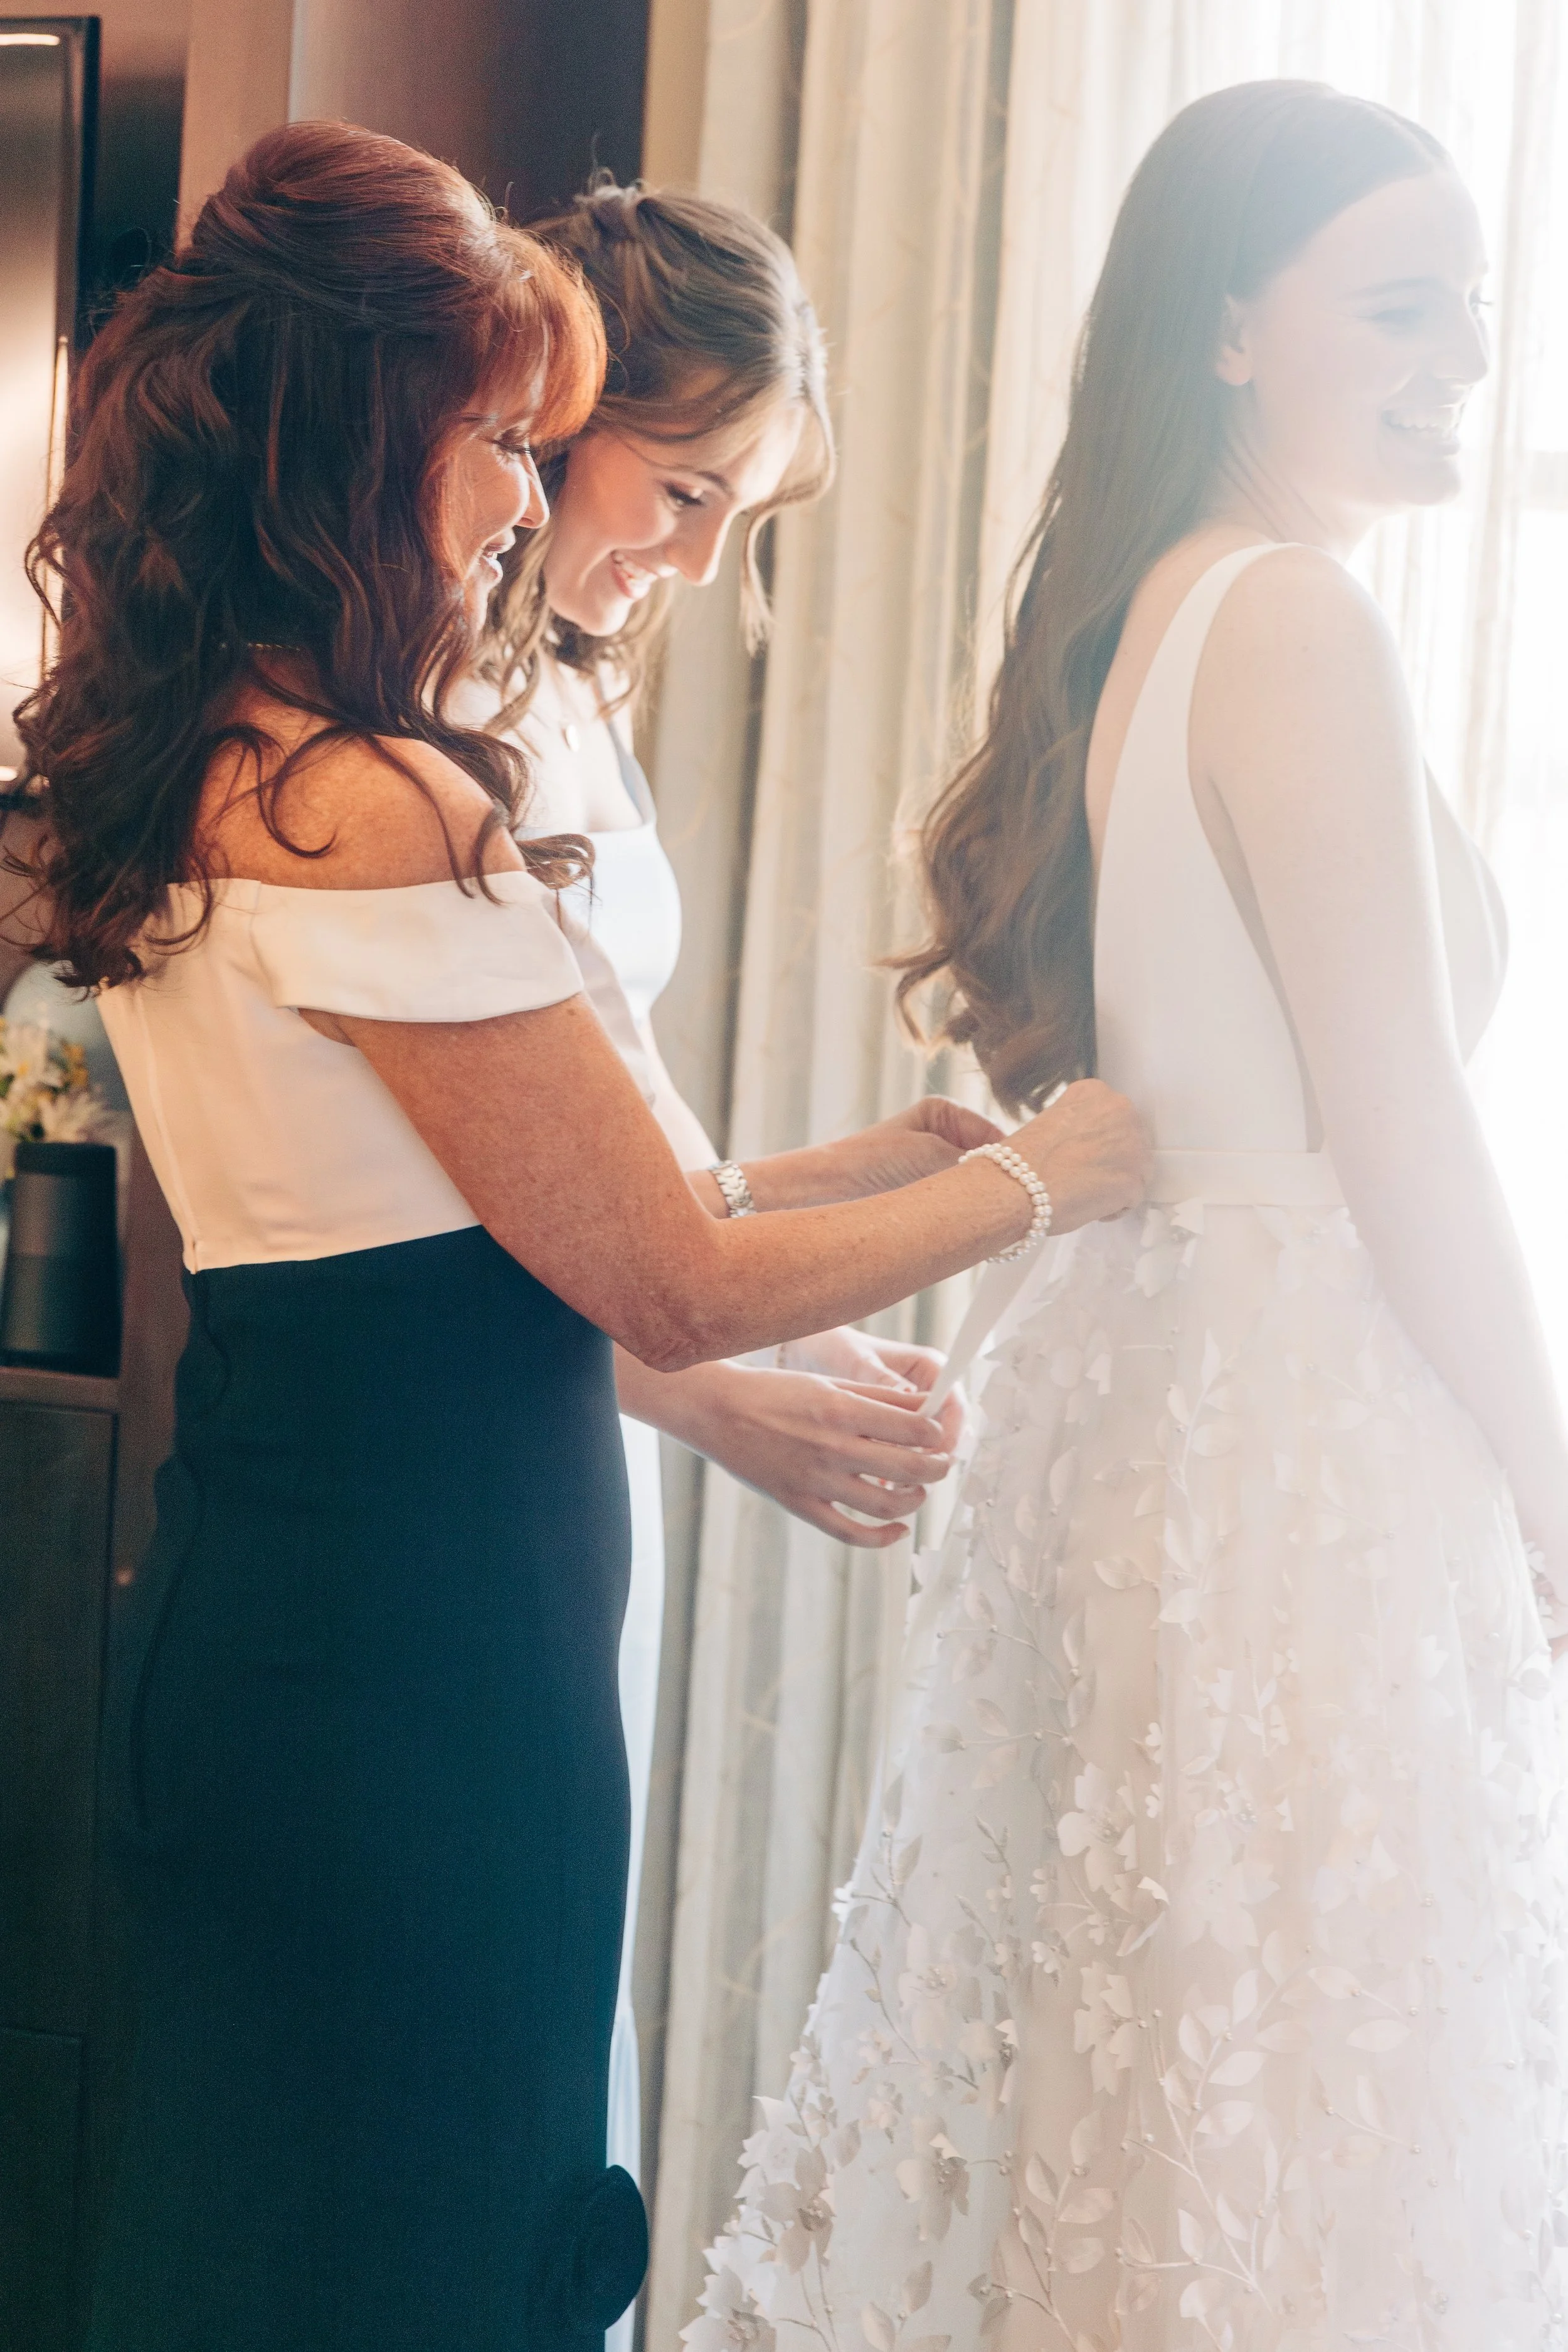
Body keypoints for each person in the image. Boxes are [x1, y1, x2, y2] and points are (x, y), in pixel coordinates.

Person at [17, 122, 1147, 2351]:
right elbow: (667, 1284)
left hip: (305, 1604)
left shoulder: (211, 760)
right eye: (497, 441)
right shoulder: (385, 794)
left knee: (278, 2236)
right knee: (422, 2245)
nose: (525, 502)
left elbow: (485, 1217)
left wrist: (854, 1169)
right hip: (426, 1653)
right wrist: (1050, 1176)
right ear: (367, 438)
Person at [689, 80, 1568, 2351]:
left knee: (1169, 2096)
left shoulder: (1168, 608)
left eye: (1464, 307)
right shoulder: (1287, 619)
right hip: (1295, 1447)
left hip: (1174, 1413)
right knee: (1285, 2130)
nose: (1455, 356)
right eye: (1398, 304)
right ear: (1229, 330)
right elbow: (1398, 1130)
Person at [461, 180, 954, 2262]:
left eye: (740, 518)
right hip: (484, 1440)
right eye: (680, 488)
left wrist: (852, 1189)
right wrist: (721, 1388)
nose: (693, 559)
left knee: (572, 2015)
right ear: (552, 410)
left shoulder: (573, 689)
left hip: (598, 1441)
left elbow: (644, 1163)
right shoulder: (428, 732)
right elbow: (493, 1219)